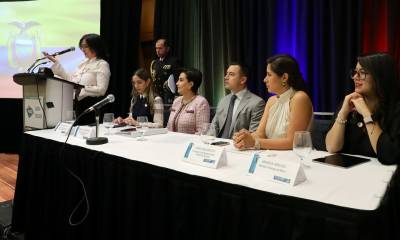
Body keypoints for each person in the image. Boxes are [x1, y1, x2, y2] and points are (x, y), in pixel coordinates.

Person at [325, 53, 400, 165]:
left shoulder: (395, 109)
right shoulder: (350, 103)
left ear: (380, 76)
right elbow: (331, 147)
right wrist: (343, 113)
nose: (355, 77)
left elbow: (389, 156)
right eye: (355, 72)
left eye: (363, 73)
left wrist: (366, 114)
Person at [233, 54, 313, 150]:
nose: (264, 79)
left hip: (296, 158)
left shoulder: (299, 98)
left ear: (284, 77)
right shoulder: (271, 101)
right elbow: (260, 133)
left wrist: (255, 142)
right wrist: (243, 137)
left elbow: (292, 142)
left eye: (269, 75)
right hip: (273, 157)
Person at [44, 33, 111, 125]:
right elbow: (71, 79)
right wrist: (56, 62)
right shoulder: (83, 63)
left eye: (85, 46)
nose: (83, 49)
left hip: (92, 104)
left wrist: (82, 87)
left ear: (95, 46)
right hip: (78, 103)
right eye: (81, 47)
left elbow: (102, 90)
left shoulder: (102, 64)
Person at [210, 62, 265, 139]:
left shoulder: (257, 103)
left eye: (231, 74)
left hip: (238, 147)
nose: (226, 77)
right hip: (217, 146)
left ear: (242, 80)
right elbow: (213, 127)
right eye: (226, 74)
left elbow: (254, 134)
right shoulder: (223, 100)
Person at [167, 68, 210, 134]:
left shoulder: (201, 102)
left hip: (190, 143)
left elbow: (202, 132)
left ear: (191, 84)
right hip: (172, 142)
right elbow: (168, 127)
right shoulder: (176, 101)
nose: (177, 83)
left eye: (181, 80)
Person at [150, 38, 180, 104]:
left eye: (160, 48)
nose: (157, 50)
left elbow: (177, 79)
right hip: (157, 96)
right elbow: (154, 81)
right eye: (156, 48)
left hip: (169, 96)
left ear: (167, 49)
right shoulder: (154, 63)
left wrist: (177, 96)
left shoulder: (173, 61)